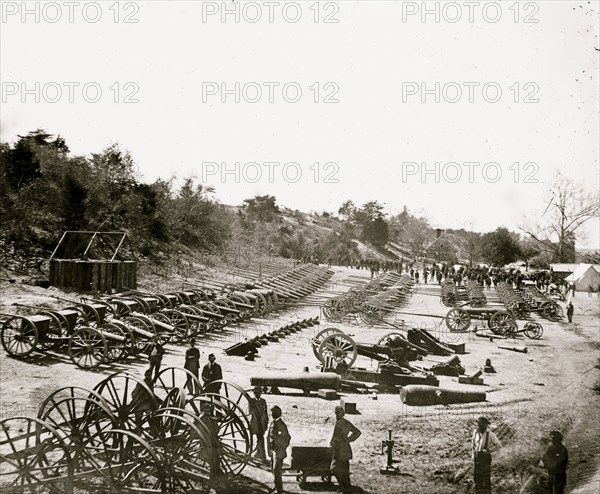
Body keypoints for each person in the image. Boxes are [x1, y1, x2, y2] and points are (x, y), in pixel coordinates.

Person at [330, 406, 361, 494]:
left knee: (339, 468)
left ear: (343, 414)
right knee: (338, 469)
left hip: (343, 449)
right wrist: (332, 443)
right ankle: (344, 487)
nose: (337, 415)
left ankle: (345, 487)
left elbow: (357, 432)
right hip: (337, 449)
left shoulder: (346, 423)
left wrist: (348, 439)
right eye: (336, 413)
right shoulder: (337, 422)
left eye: (338, 413)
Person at [472, 416, 502, 494]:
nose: (479, 425)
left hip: (485, 458)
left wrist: (490, 451)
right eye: (478, 424)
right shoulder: (475, 432)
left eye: (481, 424)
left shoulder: (490, 434)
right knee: (477, 477)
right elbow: (473, 443)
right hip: (477, 457)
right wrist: (473, 454)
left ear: (485, 425)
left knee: (486, 477)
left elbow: (499, 445)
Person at [267, 405, 290, 494]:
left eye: (274, 413)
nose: (272, 414)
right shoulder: (272, 423)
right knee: (273, 469)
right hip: (273, 451)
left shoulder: (282, 425)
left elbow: (287, 438)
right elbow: (269, 437)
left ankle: (279, 489)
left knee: (277, 470)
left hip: (279, 452)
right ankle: (276, 485)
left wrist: (280, 449)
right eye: (272, 412)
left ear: (278, 414)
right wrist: (269, 449)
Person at [249, 386, 269, 462]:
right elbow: (251, 412)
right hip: (255, 423)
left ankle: (260, 456)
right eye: (255, 392)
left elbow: (265, 412)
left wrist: (265, 423)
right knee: (253, 440)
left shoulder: (263, 401)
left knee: (260, 439)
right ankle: (252, 455)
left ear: (261, 393)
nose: (257, 394)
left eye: (258, 393)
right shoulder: (252, 401)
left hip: (261, 424)